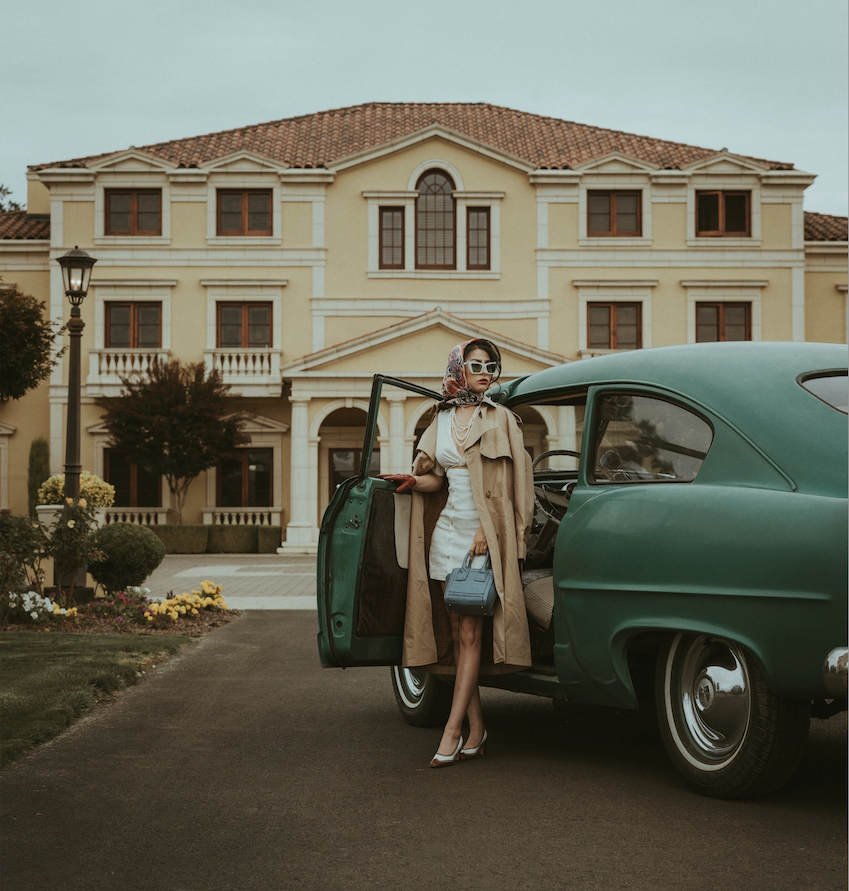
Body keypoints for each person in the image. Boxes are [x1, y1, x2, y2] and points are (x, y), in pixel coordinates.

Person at [382, 339, 534, 768]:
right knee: (456, 632)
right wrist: (413, 482)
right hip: (446, 533)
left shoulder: (503, 419)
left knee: (470, 634)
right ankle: (478, 727)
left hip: (483, 536)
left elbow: (517, 487)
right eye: (476, 364)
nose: (485, 371)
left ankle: (453, 732)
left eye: (492, 366)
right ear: (458, 369)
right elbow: (438, 480)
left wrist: (494, 532)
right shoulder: (441, 419)